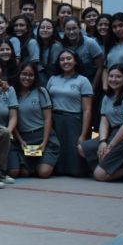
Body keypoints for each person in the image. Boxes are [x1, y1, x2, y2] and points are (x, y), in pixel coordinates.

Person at [80, 64, 123, 181]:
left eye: (118, 77)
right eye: (111, 76)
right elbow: (104, 121)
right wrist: (102, 142)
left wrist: (110, 146)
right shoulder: (107, 97)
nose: (113, 79)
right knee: (82, 148)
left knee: (99, 175)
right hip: (114, 133)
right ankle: (109, 167)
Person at [46, 49, 93, 177]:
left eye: (69, 58)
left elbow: (87, 110)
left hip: (73, 120)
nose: (65, 61)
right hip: (54, 120)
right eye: (62, 59)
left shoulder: (83, 81)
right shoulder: (53, 79)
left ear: (75, 61)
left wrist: (83, 134)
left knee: (76, 167)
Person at [8, 62, 59, 179]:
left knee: (43, 172)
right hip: (24, 141)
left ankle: (46, 162)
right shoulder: (12, 93)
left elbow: (48, 119)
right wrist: (20, 140)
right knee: (21, 172)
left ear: (35, 77)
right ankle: (33, 165)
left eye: (31, 75)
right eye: (24, 74)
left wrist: (44, 143)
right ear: (18, 74)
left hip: (43, 137)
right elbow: (12, 119)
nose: (27, 78)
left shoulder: (41, 91)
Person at [34, 17, 61, 84]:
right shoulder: (36, 44)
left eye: (48, 28)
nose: (45, 30)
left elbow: (56, 68)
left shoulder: (56, 46)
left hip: (53, 78)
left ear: (53, 30)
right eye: (42, 27)